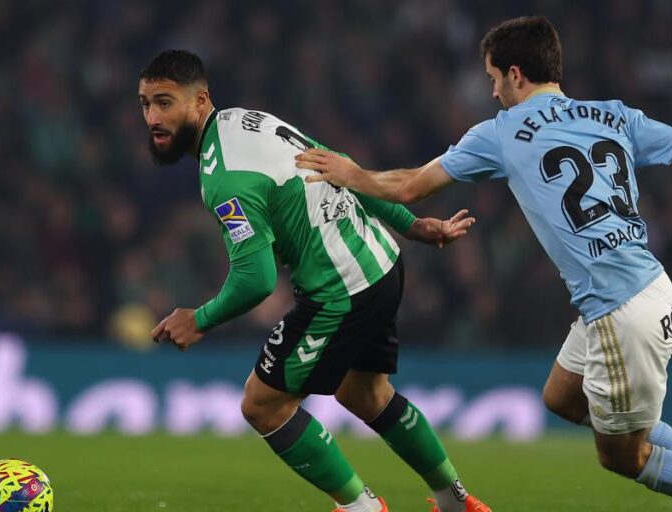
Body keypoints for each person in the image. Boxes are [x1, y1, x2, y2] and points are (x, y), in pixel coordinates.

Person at [296, 16, 672, 512]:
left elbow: (410, 185)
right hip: (651, 286)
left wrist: (352, 173)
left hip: (620, 310)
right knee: (562, 397)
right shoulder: (613, 115)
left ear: (516, 74)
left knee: (621, 456)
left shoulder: (501, 132)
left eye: (494, 78)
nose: (493, 91)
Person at [139, 49, 491, 512]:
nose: (152, 117)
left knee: (261, 405)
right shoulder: (248, 120)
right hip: (381, 262)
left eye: (165, 102)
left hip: (339, 290)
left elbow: (257, 278)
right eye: (145, 103)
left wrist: (199, 318)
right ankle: (456, 502)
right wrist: (408, 224)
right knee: (365, 393)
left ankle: (361, 507)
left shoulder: (222, 176)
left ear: (200, 100)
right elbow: (336, 162)